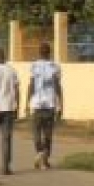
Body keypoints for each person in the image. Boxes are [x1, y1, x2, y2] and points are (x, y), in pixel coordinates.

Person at [26, 42, 64, 170]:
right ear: (50, 52)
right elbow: (58, 87)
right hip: (50, 105)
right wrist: (61, 106)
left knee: (36, 133)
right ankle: (45, 160)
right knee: (48, 135)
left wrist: (27, 103)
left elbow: (30, 85)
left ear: (39, 53)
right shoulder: (55, 66)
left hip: (36, 104)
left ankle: (39, 153)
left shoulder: (34, 66)